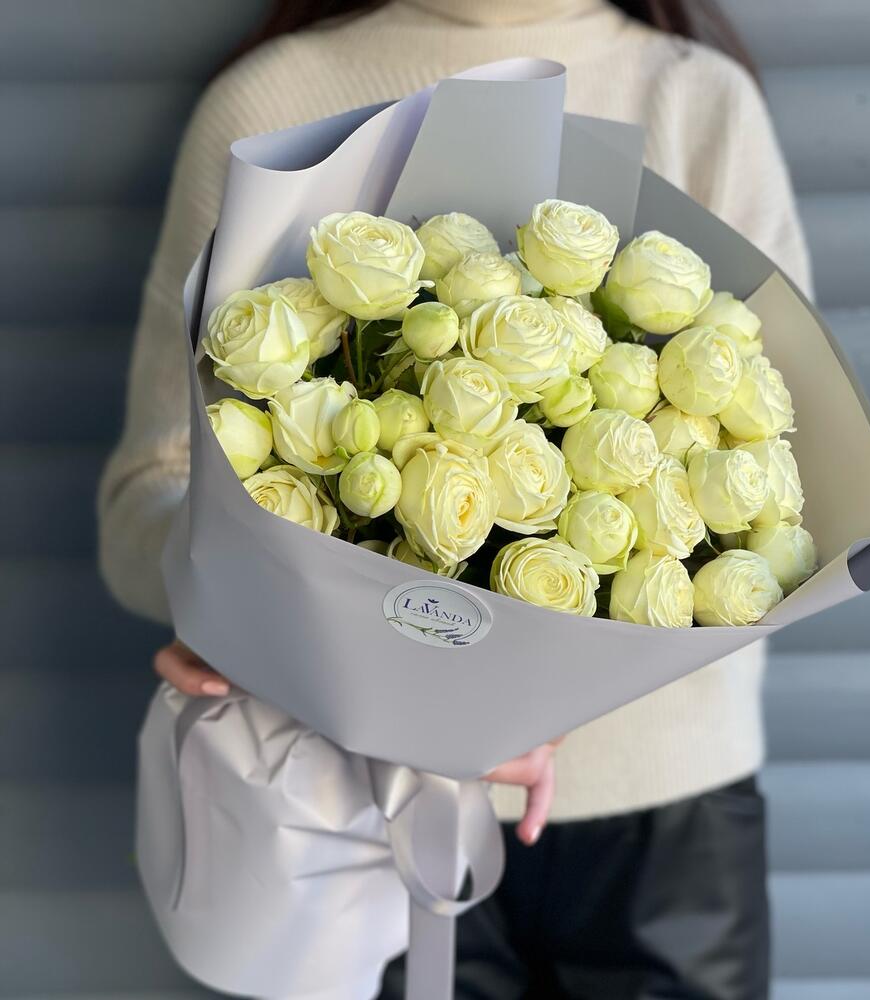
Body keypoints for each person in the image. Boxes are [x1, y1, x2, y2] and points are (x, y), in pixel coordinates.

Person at [98, 1, 812, 997]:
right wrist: (233, 601)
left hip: (668, 814)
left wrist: (543, 684)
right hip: (354, 807)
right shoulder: (271, 98)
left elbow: (778, 481)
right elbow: (143, 505)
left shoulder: (696, 99)